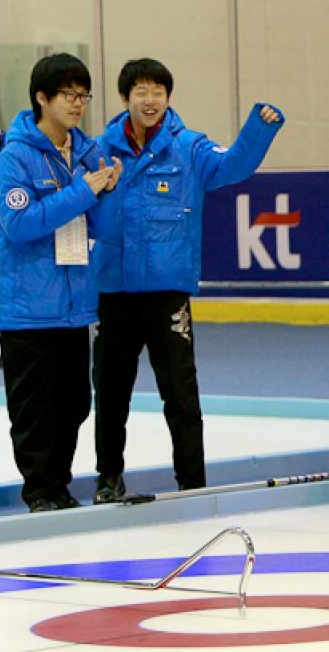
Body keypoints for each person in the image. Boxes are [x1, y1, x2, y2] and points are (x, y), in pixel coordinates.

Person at [90, 59, 284, 502]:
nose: (150, 99)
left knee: (181, 393)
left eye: (158, 90)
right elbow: (60, 170)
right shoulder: (99, 149)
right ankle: (108, 479)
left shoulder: (191, 148)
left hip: (167, 292)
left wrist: (259, 129)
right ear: (125, 99)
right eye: (141, 90)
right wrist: (3, 151)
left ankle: (192, 483)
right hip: (112, 291)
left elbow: (233, 166)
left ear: (169, 98)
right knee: (111, 394)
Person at [0, 53, 121, 512]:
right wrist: (85, 190)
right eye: (69, 94)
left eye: (84, 95)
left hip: (72, 303)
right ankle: (40, 491)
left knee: (74, 405)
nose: (78, 103)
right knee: (34, 410)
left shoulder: (87, 152)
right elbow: (20, 224)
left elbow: (103, 229)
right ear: (41, 98)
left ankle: (58, 486)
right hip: (26, 307)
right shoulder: (15, 158)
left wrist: (108, 191)